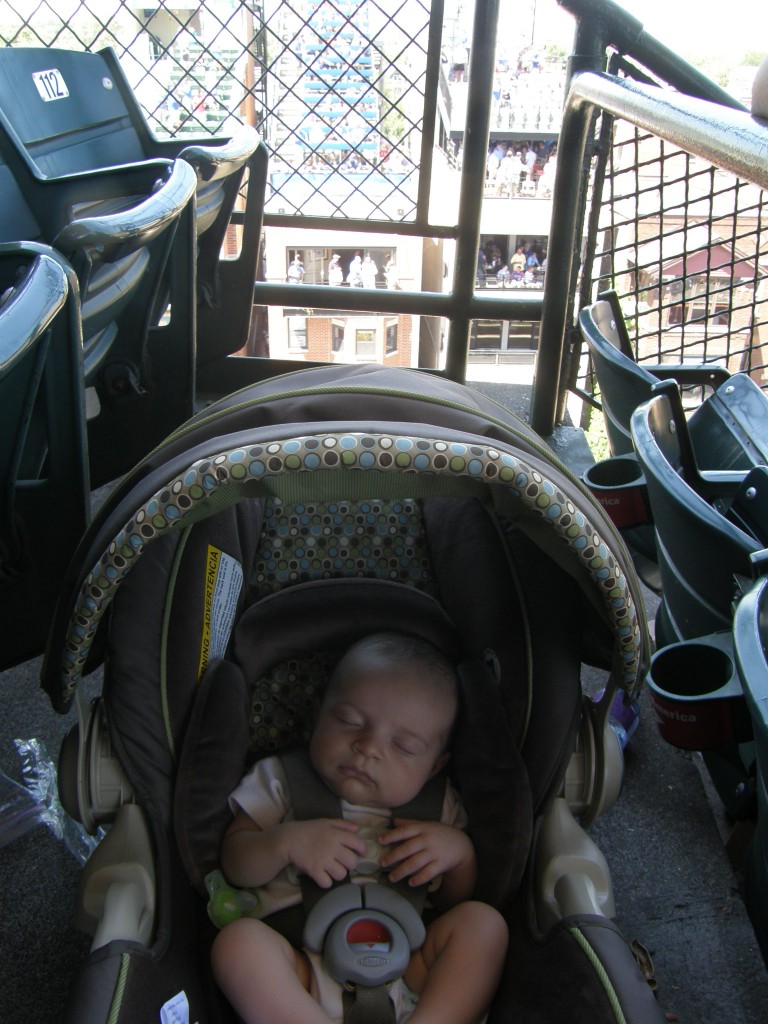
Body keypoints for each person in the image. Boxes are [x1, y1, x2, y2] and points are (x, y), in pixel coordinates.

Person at [212, 632, 508, 1024]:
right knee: (237, 945)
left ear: (434, 766)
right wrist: (284, 843)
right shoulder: (281, 779)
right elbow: (235, 864)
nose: (368, 747)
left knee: (484, 925)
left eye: (403, 747)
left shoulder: (440, 807)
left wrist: (459, 856)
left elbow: (454, 901)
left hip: (410, 971)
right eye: (349, 722)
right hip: (302, 971)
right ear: (318, 715)